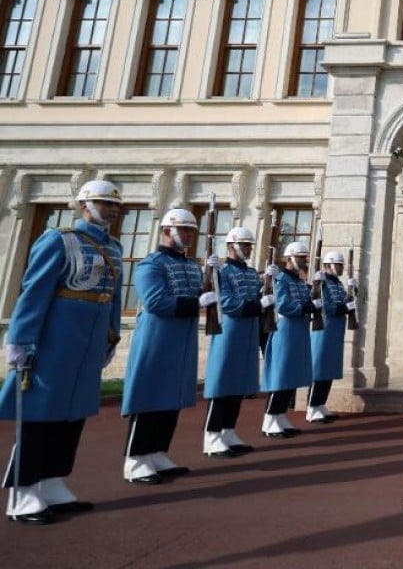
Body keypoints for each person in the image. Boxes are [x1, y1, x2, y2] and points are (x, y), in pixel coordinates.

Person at [1, 180, 124, 524]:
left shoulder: (113, 248)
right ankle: (23, 493)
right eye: (104, 203)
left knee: (72, 415)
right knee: (40, 416)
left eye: (115, 205)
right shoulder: (59, 240)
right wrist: (21, 339)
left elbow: (110, 299)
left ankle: (53, 482)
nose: (112, 210)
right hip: (55, 341)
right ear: (85, 204)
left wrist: (111, 337)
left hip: (88, 345)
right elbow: (34, 292)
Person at [121, 208, 214, 485]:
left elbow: (200, 294)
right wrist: (197, 302)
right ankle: (135, 459)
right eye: (183, 229)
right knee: (148, 398)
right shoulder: (152, 264)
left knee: (170, 398)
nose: (187, 235)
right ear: (166, 231)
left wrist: (213, 281)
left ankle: (158, 451)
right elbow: (156, 302)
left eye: (190, 230)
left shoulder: (189, 265)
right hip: (157, 339)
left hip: (181, 339)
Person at [203, 226, 265, 458]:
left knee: (239, 383)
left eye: (250, 245)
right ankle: (211, 434)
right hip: (229, 331)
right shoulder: (223, 271)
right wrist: (258, 306)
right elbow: (227, 303)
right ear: (231, 246)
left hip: (247, 332)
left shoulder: (250, 273)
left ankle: (228, 430)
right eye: (245, 245)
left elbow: (261, 295)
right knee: (223, 382)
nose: (248, 248)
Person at [262, 241, 315, 438]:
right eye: (300, 257)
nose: (303, 261)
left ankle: (280, 414)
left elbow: (303, 299)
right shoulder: (281, 278)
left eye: (304, 257)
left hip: (298, 329)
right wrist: (304, 308)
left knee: (291, 374)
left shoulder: (299, 281)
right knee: (281, 374)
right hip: (285, 328)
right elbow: (283, 305)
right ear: (289, 258)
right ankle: (269, 418)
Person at [307, 250, 356, 423]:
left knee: (329, 369)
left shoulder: (337, 283)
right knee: (319, 368)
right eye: (339, 265)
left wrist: (353, 289)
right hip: (324, 329)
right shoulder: (322, 283)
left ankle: (320, 404)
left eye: (342, 265)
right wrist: (346, 308)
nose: (341, 268)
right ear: (329, 265)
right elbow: (329, 308)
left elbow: (346, 301)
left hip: (336, 330)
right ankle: (311, 407)